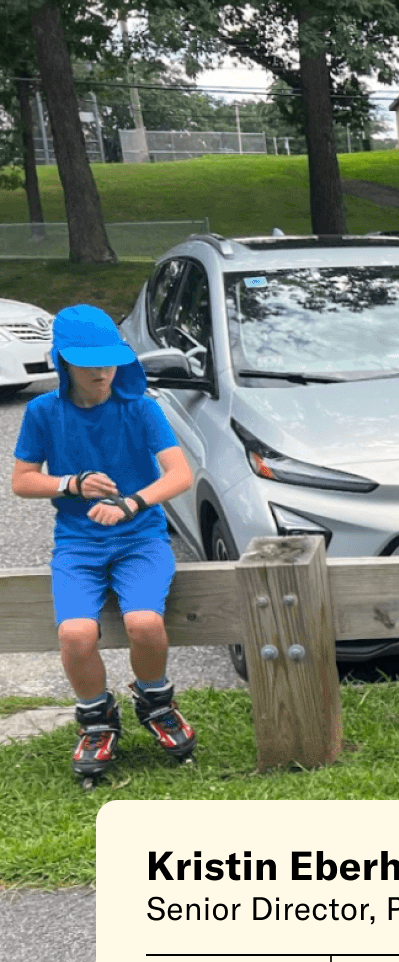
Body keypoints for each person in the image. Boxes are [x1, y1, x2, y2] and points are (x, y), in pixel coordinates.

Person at [11, 304, 197, 789]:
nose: (101, 372)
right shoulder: (42, 412)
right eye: (87, 362)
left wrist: (133, 502)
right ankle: (97, 719)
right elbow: (23, 482)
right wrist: (70, 483)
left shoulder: (140, 407)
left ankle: (156, 702)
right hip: (77, 544)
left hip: (141, 538)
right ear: (62, 362)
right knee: (74, 635)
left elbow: (180, 474)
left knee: (143, 622)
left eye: (109, 360)